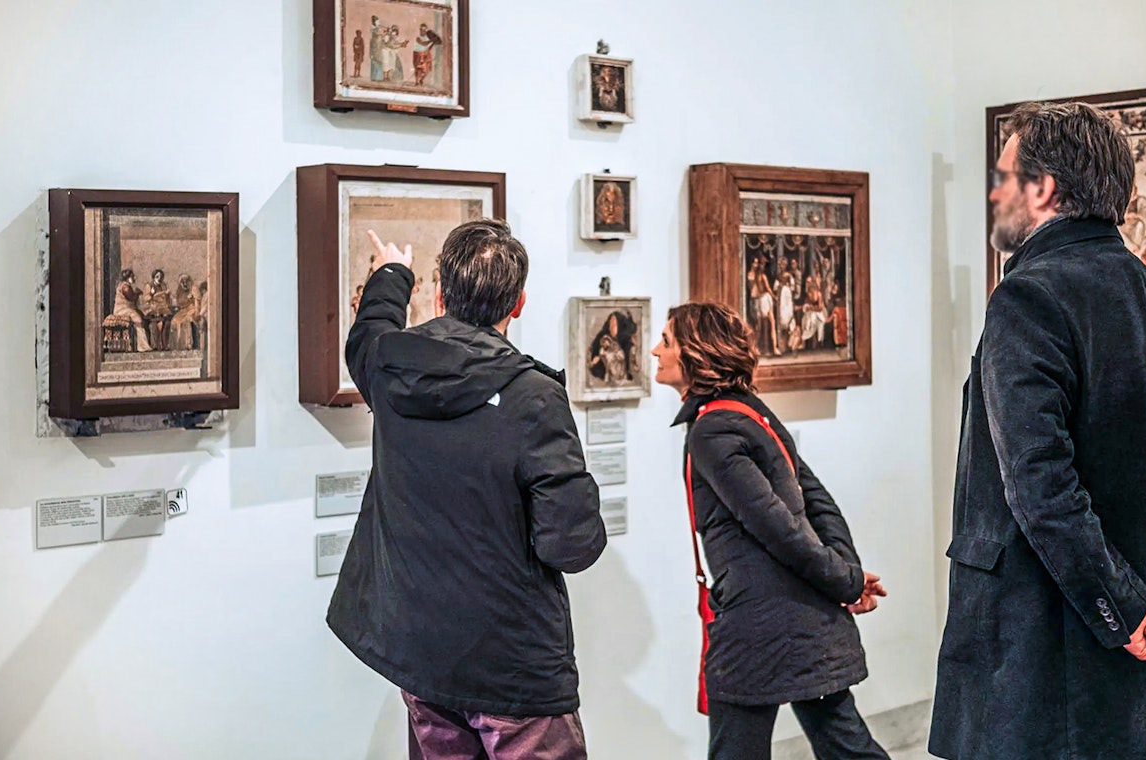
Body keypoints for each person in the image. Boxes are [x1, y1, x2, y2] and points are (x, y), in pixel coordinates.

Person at [929, 101, 1146, 759]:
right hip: (1138, 649)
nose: (993, 192)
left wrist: (1119, 607)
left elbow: (1041, 488)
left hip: (1040, 657)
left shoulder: (1030, 295)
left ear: (1042, 188)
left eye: (1004, 175)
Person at [327, 219, 606, 760]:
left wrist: (391, 273)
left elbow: (366, 334)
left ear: (439, 294)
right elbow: (571, 545)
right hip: (512, 663)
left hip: (422, 652)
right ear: (518, 303)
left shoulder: (390, 365)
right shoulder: (534, 397)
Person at [653, 302, 887, 760]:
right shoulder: (749, 412)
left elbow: (779, 528)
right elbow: (817, 503)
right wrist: (845, 574)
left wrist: (847, 579)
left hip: (758, 629)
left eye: (666, 342)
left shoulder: (712, 430)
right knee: (848, 747)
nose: (654, 351)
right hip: (807, 619)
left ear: (696, 355)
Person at [111, 268, 151, 352]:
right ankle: (142, 346)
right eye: (132, 276)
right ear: (127, 277)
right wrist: (137, 293)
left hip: (127, 309)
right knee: (138, 320)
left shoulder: (125, 285)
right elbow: (131, 297)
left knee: (142, 317)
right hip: (122, 310)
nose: (134, 278)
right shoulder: (125, 286)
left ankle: (144, 345)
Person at [169, 274, 201, 350]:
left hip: (192, 308)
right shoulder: (179, 291)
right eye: (182, 282)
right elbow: (179, 303)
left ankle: (187, 344)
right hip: (183, 310)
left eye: (186, 281)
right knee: (174, 321)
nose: (185, 283)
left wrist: (197, 312)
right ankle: (177, 345)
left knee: (185, 321)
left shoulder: (193, 289)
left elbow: (197, 302)